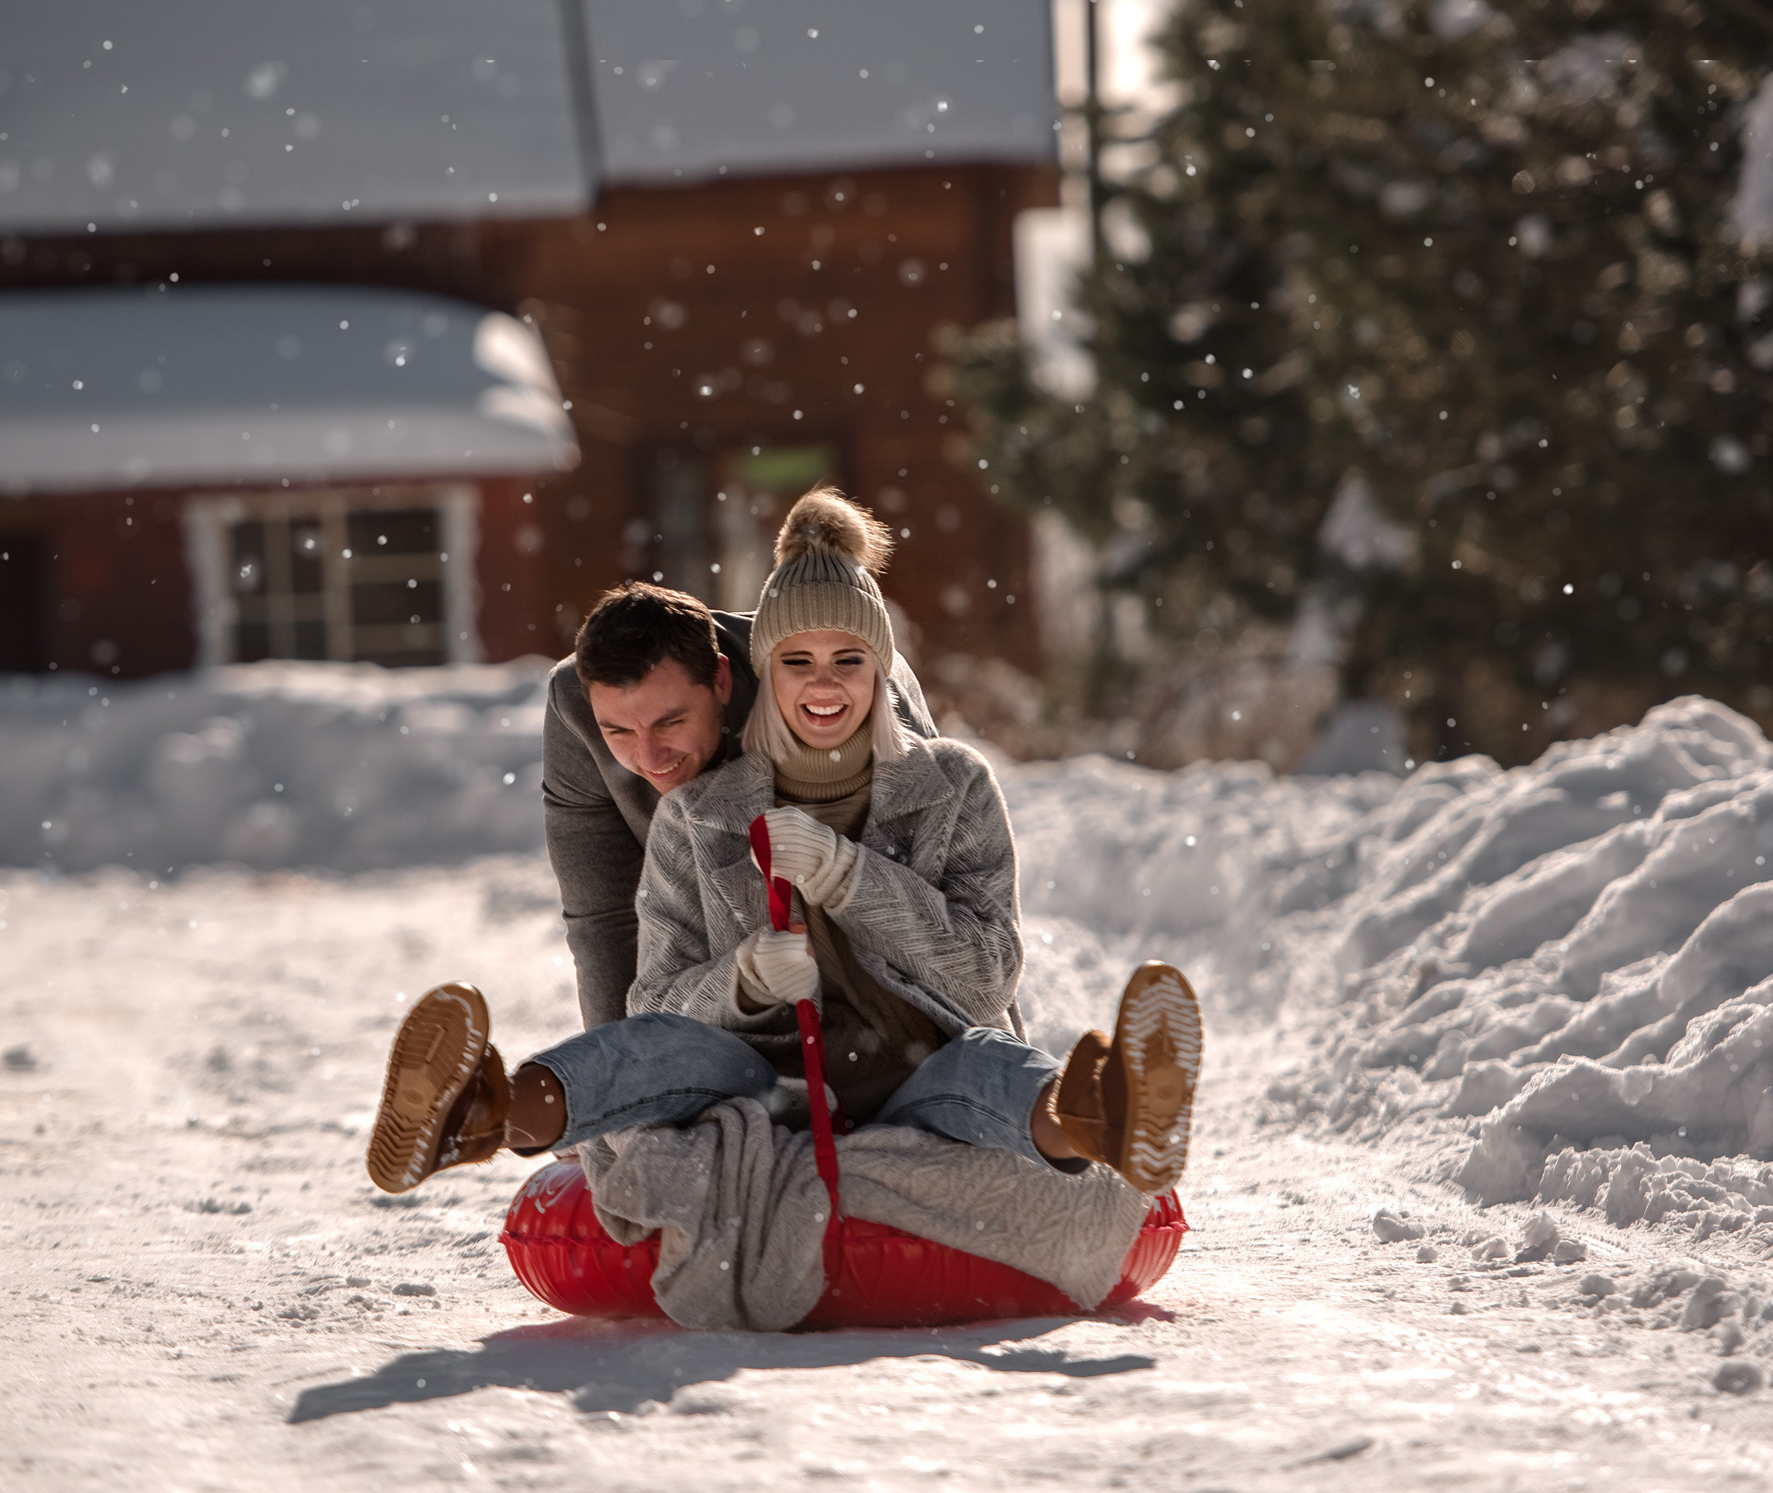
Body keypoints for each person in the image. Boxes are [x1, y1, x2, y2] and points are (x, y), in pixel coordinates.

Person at [366, 488, 1204, 1200]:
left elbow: (976, 966)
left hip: (910, 1049)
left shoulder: (938, 771)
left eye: (847, 659)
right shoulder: (693, 808)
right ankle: (485, 1108)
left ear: (729, 683)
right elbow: (616, 945)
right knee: (664, 1049)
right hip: (757, 1057)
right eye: (798, 661)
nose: (824, 682)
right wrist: (709, 1015)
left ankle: (1101, 1111)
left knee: (982, 1068)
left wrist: (848, 874)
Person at [541, 576, 936, 1029]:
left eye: (671, 722)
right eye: (620, 732)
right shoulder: (577, 704)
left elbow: (941, 905)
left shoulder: (827, 688)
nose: (649, 758)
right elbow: (604, 921)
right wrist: (621, 1075)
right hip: (724, 989)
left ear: (722, 680)